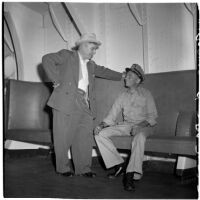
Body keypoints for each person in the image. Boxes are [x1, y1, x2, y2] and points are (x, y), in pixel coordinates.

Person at [42, 33, 123, 178]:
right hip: (66, 101)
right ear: (83, 45)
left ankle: (83, 169)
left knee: (84, 136)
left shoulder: (91, 65)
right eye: (92, 48)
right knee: (63, 137)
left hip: (84, 103)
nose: (94, 52)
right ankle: (63, 168)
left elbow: (104, 71)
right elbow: (47, 59)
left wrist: (122, 75)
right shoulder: (67, 55)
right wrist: (55, 79)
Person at [94, 64, 158, 191]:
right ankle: (118, 164)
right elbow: (111, 116)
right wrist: (101, 125)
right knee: (100, 134)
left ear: (138, 80)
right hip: (127, 125)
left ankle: (130, 175)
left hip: (145, 126)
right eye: (126, 76)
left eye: (129, 76)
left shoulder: (146, 94)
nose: (125, 78)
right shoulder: (122, 95)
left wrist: (140, 126)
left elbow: (153, 117)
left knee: (139, 137)